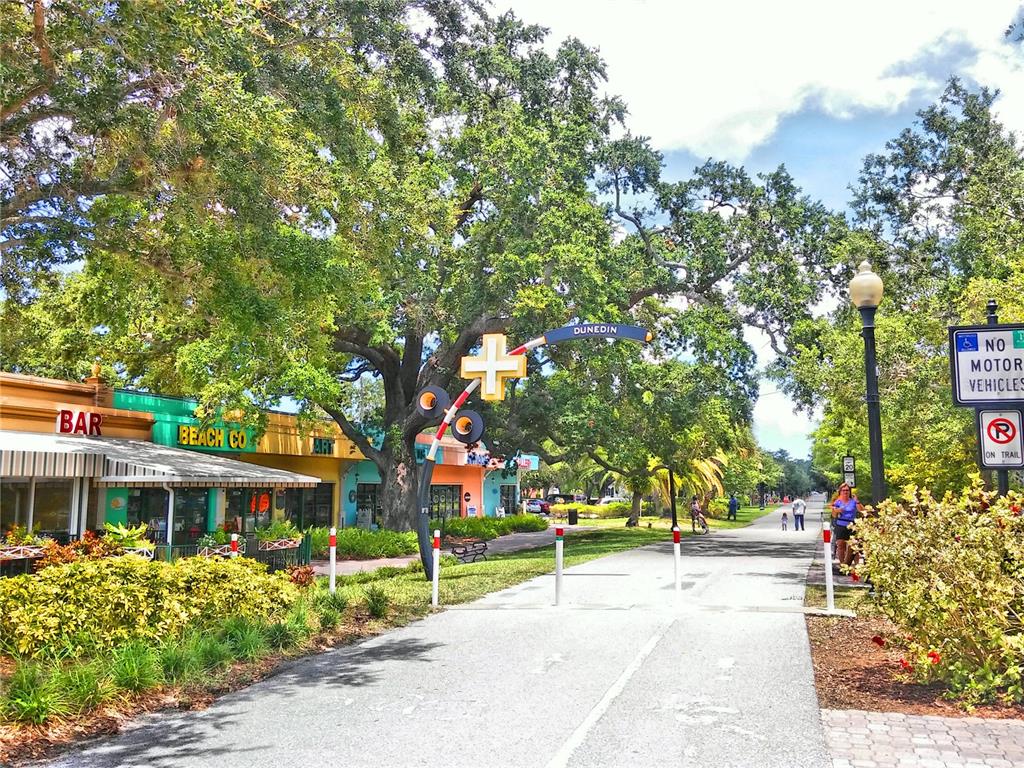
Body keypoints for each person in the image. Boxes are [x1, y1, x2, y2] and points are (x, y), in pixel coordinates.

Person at [831, 483, 863, 567]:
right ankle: (843, 566)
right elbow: (833, 515)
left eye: (847, 490)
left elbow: (862, 511)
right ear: (840, 491)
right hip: (840, 525)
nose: (845, 492)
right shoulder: (837, 502)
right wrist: (836, 510)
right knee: (841, 545)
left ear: (850, 491)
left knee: (854, 546)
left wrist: (857, 501)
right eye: (843, 490)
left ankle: (856, 566)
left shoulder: (853, 501)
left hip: (852, 525)